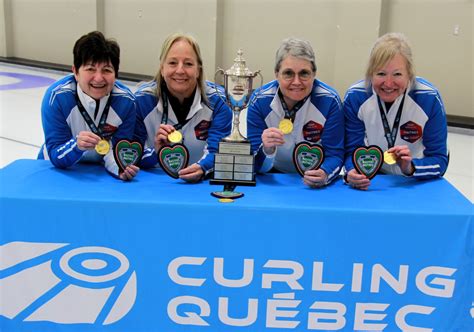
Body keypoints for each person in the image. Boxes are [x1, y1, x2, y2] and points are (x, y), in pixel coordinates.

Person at [343, 32, 448, 190]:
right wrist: (352, 171)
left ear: (410, 75)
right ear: (371, 74)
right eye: (381, 73)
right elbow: (351, 150)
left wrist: (410, 167)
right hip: (372, 180)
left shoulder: (429, 99)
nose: (389, 83)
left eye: (397, 74)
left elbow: (440, 160)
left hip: (416, 181)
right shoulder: (356, 97)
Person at [38, 31, 138, 181]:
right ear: (75, 72)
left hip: (101, 173)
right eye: (90, 69)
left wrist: (119, 167)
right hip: (56, 170)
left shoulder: (126, 102)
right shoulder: (56, 98)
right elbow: (55, 153)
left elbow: (119, 148)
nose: (98, 78)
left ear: (116, 74)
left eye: (106, 70)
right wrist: (76, 146)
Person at [246, 37, 344, 188]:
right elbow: (254, 165)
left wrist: (325, 173)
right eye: (288, 73)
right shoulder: (259, 101)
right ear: (276, 74)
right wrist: (266, 150)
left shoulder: (330, 101)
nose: (297, 82)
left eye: (304, 73)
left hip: (314, 180)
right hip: (273, 179)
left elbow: (335, 154)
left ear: (314, 74)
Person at [134, 33, 232, 182]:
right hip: (155, 183)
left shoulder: (218, 101)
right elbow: (131, 154)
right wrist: (156, 152)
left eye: (188, 64)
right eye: (173, 63)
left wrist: (203, 167)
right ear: (162, 68)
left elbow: (218, 150)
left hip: (200, 185)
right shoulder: (142, 101)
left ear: (198, 70)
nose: (180, 70)